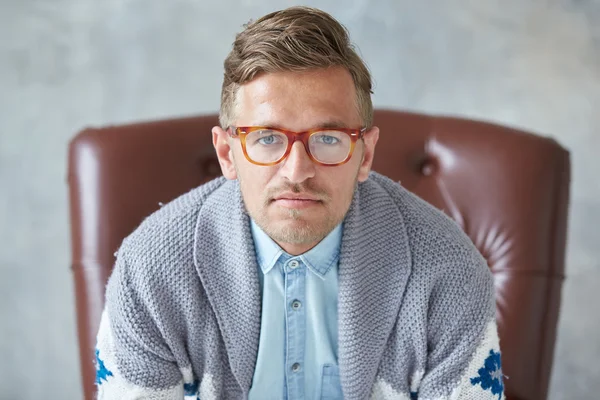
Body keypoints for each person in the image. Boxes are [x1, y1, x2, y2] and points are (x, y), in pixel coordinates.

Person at [94, 6, 504, 400]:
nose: (296, 171)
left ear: (366, 154)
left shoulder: (449, 271)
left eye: (328, 139)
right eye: (267, 138)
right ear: (226, 153)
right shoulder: (150, 269)